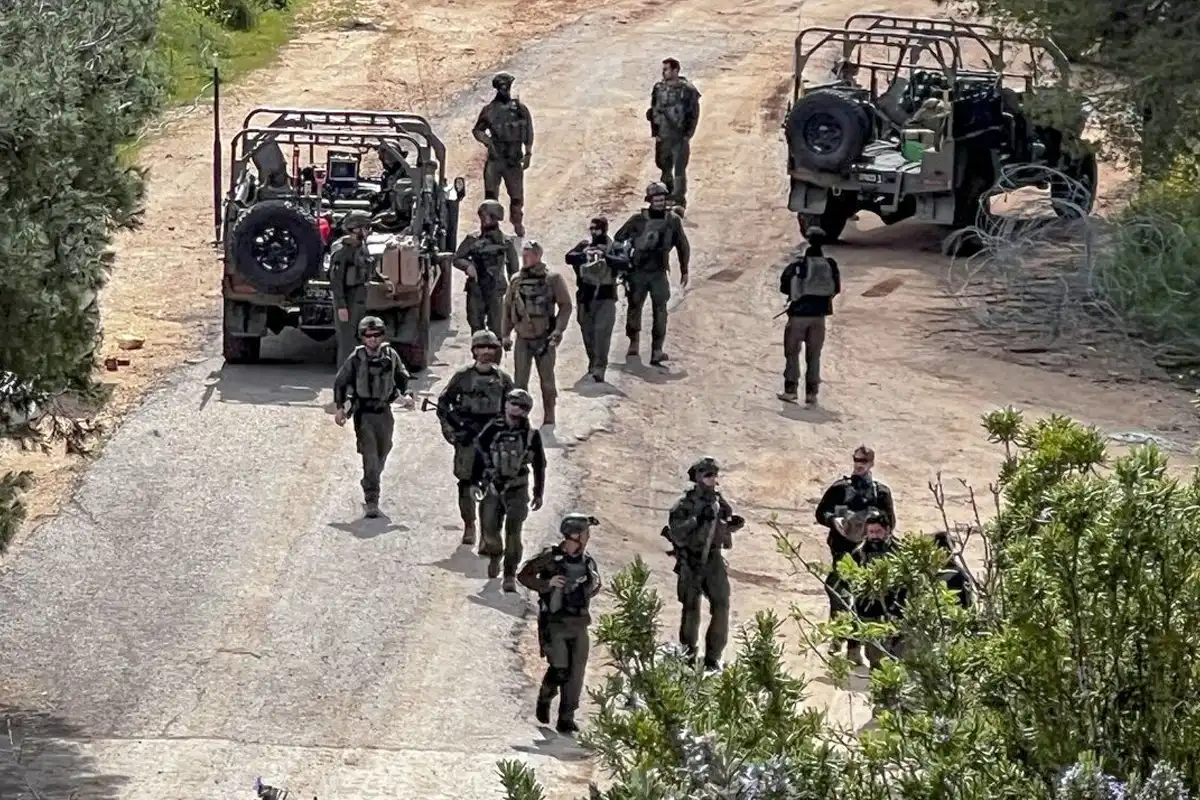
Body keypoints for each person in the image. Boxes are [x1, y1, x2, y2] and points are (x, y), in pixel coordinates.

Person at [517, 513, 602, 734]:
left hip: (579, 623)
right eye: (585, 533)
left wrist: (589, 585)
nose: (587, 537)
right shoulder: (551, 557)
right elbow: (524, 576)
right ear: (575, 536)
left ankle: (566, 717)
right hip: (555, 623)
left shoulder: (587, 561)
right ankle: (545, 696)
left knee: (576, 675)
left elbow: (594, 587)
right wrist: (548, 584)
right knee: (560, 669)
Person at [662, 457, 745, 671]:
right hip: (691, 559)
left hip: (713, 559)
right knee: (691, 609)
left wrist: (732, 525)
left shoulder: (718, 501)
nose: (711, 478)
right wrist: (697, 520)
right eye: (707, 474)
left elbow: (722, 524)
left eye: (714, 474)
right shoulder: (684, 504)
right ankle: (688, 656)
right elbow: (677, 533)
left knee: (721, 605)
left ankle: (712, 658)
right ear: (697, 477)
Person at [815, 445, 896, 655]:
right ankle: (838, 636)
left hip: (870, 555)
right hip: (843, 551)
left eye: (863, 461)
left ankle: (855, 646)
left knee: (864, 600)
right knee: (838, 594)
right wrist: (833, 520)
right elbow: (821, 512)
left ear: (871, 464)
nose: (859, 465)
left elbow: (890, 523)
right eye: (856, 461)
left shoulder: (880, 492)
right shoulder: (840, 489)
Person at [436, 330, 515, 545]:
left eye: (491, 348)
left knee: (493, 485)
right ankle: (469, 524)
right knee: (466, 482)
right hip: (468, 438)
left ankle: (487, 531)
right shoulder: (463, 377)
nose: (486, 352)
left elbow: (514, 409)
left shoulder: (503, 380)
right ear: (474, 351)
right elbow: (443, 404)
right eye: (481, 347)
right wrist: (451, 430)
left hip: (492, 439)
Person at [332, 316, 415, 518]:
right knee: (370, 456)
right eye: (368, 335)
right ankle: (372, 498)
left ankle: (371, 479)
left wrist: (408, 396)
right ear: (362, 337)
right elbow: (341, 382)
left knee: (384, 450)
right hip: (364, 414)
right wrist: (340, 408)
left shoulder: (390, 355)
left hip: (384, 411)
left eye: (377, 335)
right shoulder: (356, 358)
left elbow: (402, 377)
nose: (373, 339)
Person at [473, 388, 547, 590]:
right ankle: (495, 555)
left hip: (517, 488)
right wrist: (475, 481)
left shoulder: (531, 435)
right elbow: (479, 453)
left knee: (514, 533)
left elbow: (539, 464)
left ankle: (509, 574)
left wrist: (538, 492)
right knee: (489, 529)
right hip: (493, 487)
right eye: (513, 403)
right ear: (505, 404)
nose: (516, 409)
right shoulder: (492, 429)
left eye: (522, 406)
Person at [613, 183, 690, 365]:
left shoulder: (673, 221)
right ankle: (634, 343)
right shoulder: (637, 220)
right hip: (638, 271)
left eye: (662, 199)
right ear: (650, 201)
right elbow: (618, 238)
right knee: (634, 307)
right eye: (656, 200)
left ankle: (657, 350)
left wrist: (684, 269)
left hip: (659, 272)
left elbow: (682, 245)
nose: (659, 202)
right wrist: (623, 258)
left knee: (660, 311)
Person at [501, 239, 573, 427]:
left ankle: (549, 416)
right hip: (522, 339)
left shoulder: (552, 279)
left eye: (529, 255)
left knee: (547, 381)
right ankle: (519, 420)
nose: (525, 258)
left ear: (538, 256)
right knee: (519, 383)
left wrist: (558, 330)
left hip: (544, 339)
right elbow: (508, 308)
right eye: (523, 255)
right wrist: (505, 334)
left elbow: (565, 305)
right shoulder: (516, 280)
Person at [777, 229, 841, 405]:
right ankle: (812, 393)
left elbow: (784, 287)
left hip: (798, 316)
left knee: (792, 353)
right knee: (814, 355)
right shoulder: (830, 265)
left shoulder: (798, 265)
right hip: (819, 317)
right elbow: (836, 288)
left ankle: (791, 390)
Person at [472, 72, 534, 237]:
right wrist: (488, 142)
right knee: (491, 196)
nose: (505, 89)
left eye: (506, 86)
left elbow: (528, 131)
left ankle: (517, 224)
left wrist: (528, 153)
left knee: (516, 196)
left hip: (513, 159)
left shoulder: (519, 109)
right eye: (502, 87)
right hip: (496, 158)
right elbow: (477, 130)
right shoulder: (489, 110)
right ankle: (490, 228)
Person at [565, 217, 623, 382]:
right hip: (586, 297)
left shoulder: (614, 247)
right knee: (587, 332)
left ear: (604, 229)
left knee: (602, 333)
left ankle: (599, 367)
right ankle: (593, 361)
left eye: (597, 229)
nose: (593, 232)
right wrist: (585, 255)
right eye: (591, 229)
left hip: (606, 296)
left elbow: (624, 262)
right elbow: (569, 257)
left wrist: (605, 256)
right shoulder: (585, 245)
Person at [454, 200, 519, 337]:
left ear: (496, 218)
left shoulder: (506, 242)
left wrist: (514, 293)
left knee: (497, 329)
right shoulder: (472, 239)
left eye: (487, 215)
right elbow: (457, 258)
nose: (483, 219)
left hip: (496, 290)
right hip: (476, 289)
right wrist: (468, 266)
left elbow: (514, 271)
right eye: (482, 215)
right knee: (476, 327)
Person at [646, 57, 701, 212]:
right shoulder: (659, 88)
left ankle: (678, 200)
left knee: (679, 170)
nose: (664, 72)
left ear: (675, 70)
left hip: (679, 135)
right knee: (664, 167)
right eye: (663, 69)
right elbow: (654, 110)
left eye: (667, 69)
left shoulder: (687, 90)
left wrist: (688, 134)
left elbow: (694, 113)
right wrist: (655, 132)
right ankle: (666, 196)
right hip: (663, 135)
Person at [329, 210, 383, 365]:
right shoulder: (342, 250)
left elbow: (368, 266)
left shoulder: (361, 246)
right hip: (348, 299)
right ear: (355, 229)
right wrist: (341, 306)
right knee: (347, 341)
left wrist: (384, 281)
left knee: (359, 338)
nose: (368, 231)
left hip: (359, 298)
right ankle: (345, 372)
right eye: (365, 228)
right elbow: (336, 280)